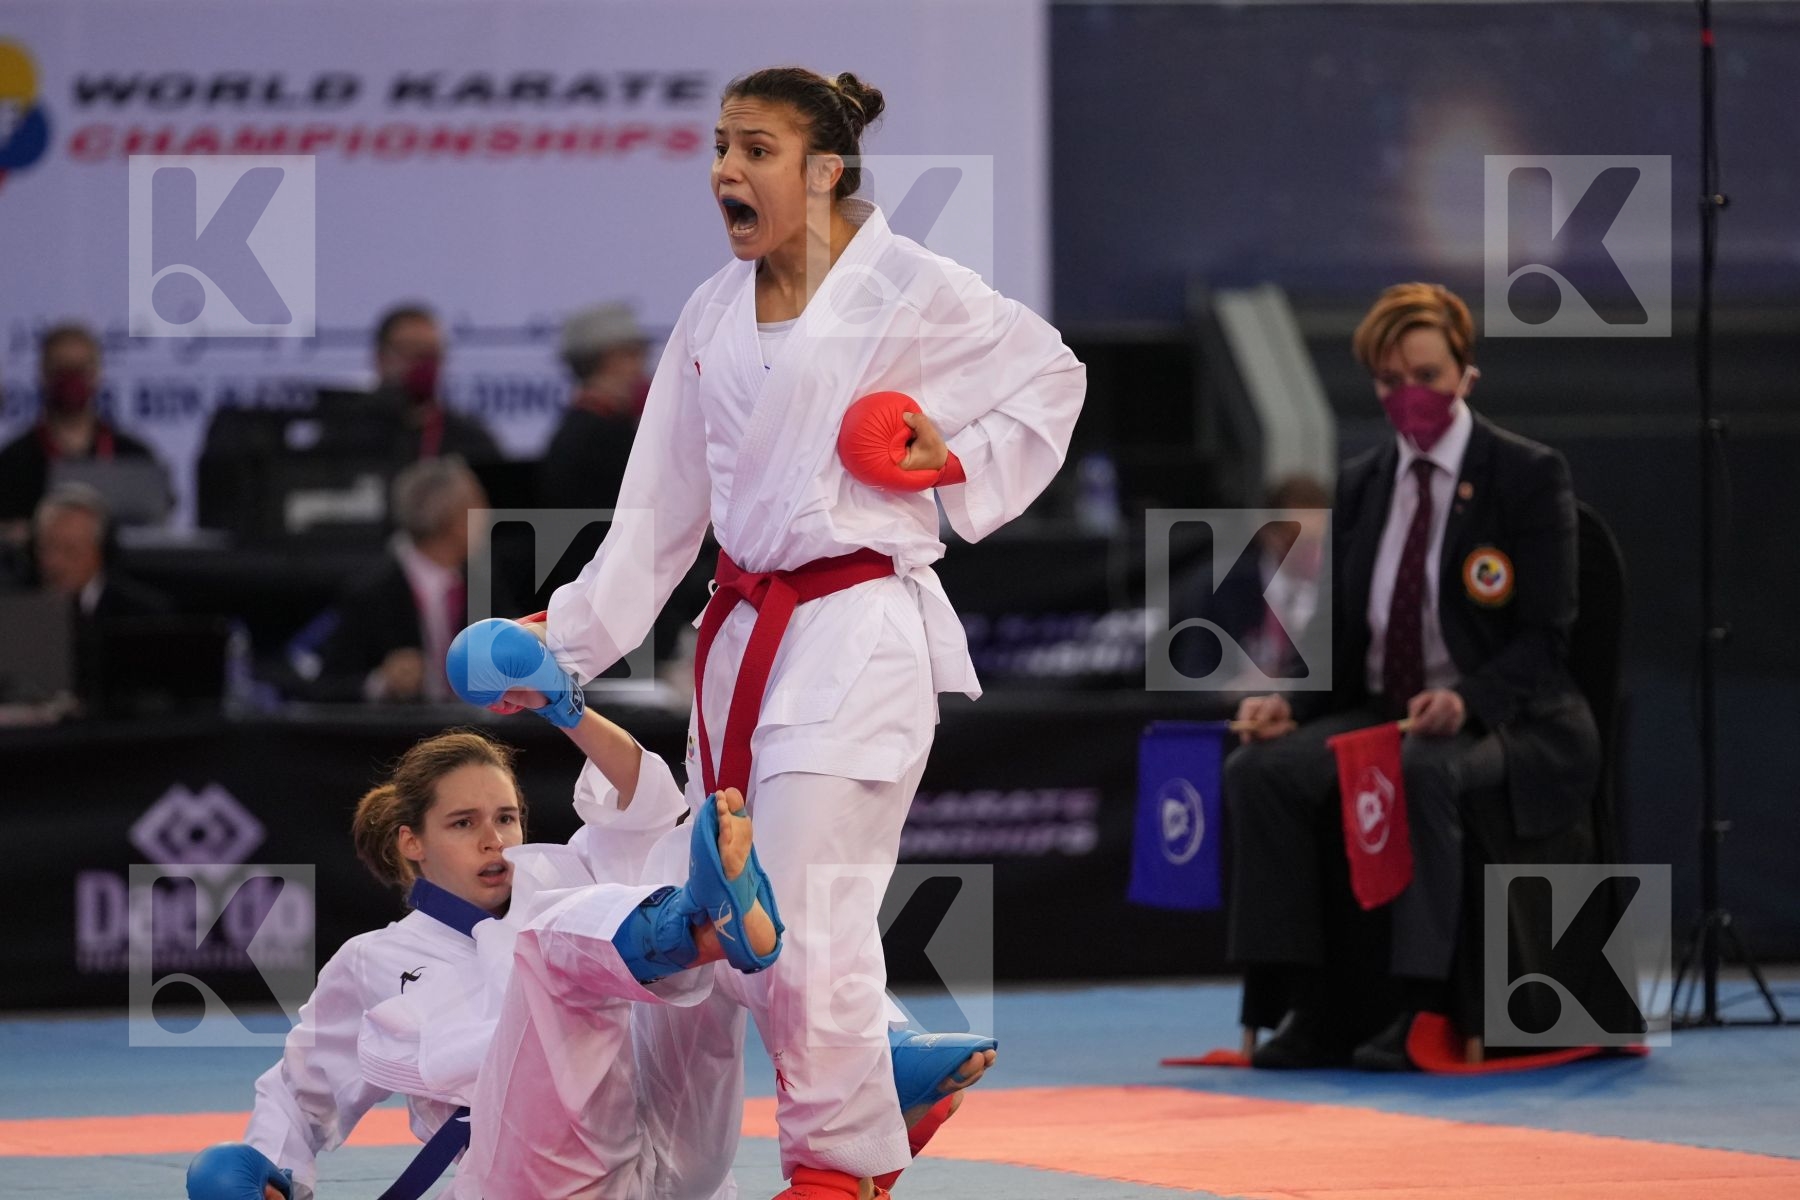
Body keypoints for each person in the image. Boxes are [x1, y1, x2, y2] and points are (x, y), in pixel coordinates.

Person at [519, 66, 1083, 1199]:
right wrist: (569, 641)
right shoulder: (710, 310)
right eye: (721, 146)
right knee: (737, 923)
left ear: (824, 170)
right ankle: (882, 1067)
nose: (726, 169)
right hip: (738, 637)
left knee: (808, 901)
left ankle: (840, 1163)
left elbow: (1051, 381)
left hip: (858, 624)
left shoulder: (910, 290)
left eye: (757, 149)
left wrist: (946, 451)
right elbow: (660, 509)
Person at [1224, 282, 1600, 1071]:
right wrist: (1286, 704)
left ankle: (1425, 1003)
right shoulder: (1363, 483)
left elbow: (1547, 637)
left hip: (1515, 720)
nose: (1410, 397)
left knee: (1425, 766)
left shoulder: (1527, 475)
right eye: (1391, 382)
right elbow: (1333, 629)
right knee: (1262, 773)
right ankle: (1310, 1002)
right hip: (1385, 709)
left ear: (1466, 374)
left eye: (1427, 376)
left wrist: (1466, 700)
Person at [291, 457, 489, 704]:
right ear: (451, 520)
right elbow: (325, 688)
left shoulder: (483, 580)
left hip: (477, 733)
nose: (488, 514)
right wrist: (382, 682)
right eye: (478, 503)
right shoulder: (371, 592)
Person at [0, 323, 166, 529]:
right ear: (42, 373)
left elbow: (158, 519)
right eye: (61, 369)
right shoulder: (13, 461)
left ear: (97, 373)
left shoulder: (134, 456)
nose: (71, 379)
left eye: (80, 369)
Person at [33, 483, 172, 705]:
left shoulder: (142, 614)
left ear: (99, 552)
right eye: (46, 548)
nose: (53, 563)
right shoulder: (19, 612)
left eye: (69, 550)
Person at [539, 302, 651, 512]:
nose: (641, 366)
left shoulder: (589, 428)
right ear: (605, 360)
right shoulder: (598, 437)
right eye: (631, 354)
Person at [371, 304, 504, 465]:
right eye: (412, 352)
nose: (423, 365)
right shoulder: (349, 432)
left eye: (431, 355)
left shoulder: (471, 440)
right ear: (380, 358)